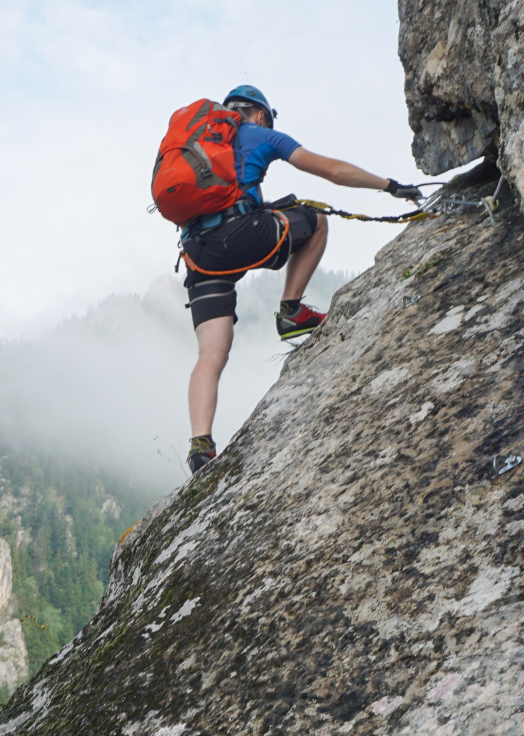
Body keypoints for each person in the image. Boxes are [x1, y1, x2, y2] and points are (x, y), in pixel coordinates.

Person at [181, 85, 424, 474]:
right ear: (260, 114)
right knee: (316, 219)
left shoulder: (200, 144)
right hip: (240, 237)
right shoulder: (261, 134)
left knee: (211, 353)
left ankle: (200, 445)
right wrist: (390, 186)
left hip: (197, 253)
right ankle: (290, 310)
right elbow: (332, 171)